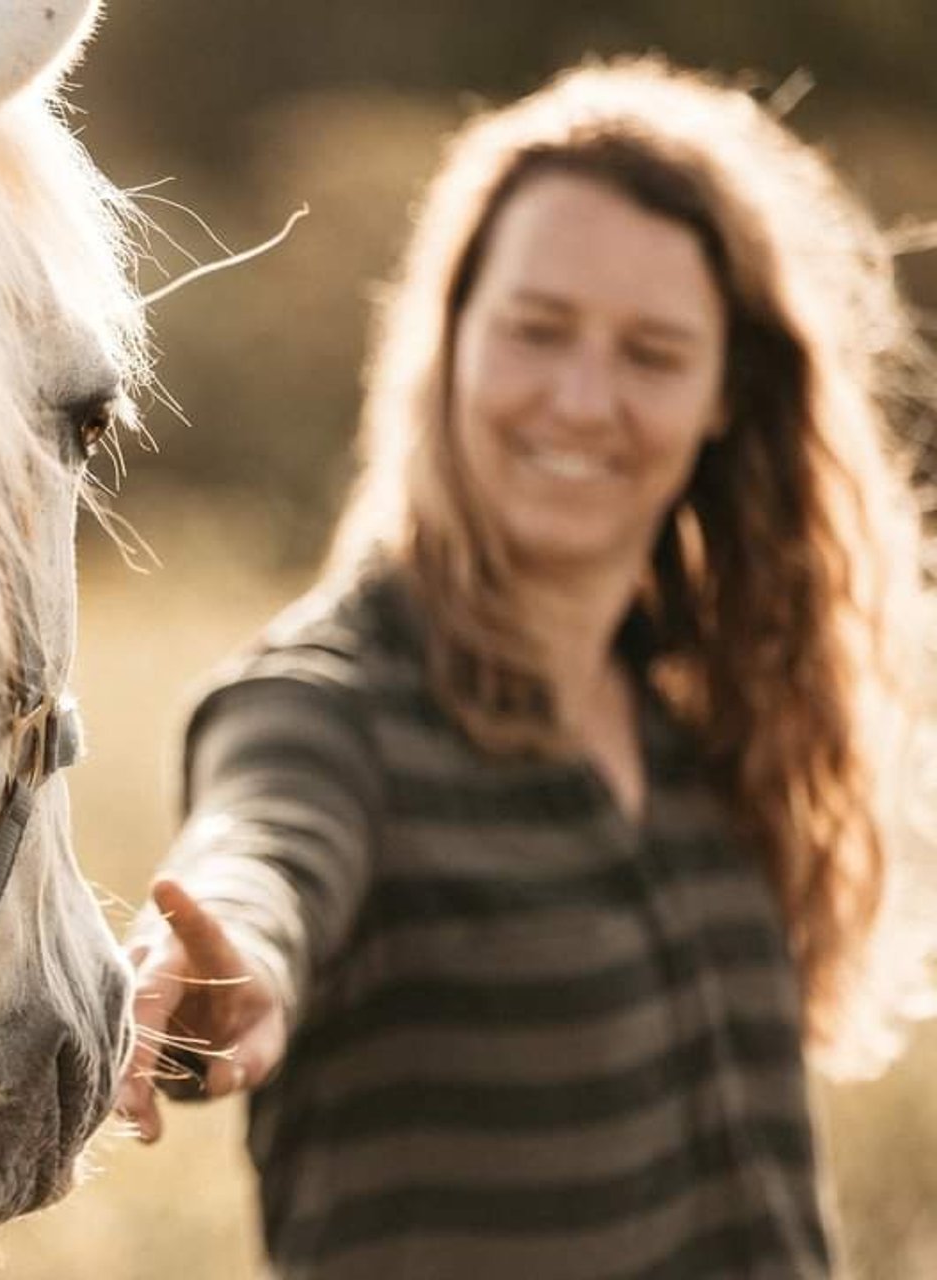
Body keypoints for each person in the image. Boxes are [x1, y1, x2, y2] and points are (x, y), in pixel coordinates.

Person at [115, 58, 934, 1279]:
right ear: (448, 339)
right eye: (538, 329)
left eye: (654, 352)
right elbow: (266, 840)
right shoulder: (323, 704)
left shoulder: (707, 709)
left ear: (725, 394)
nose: (582, 398)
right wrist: (229, 946)